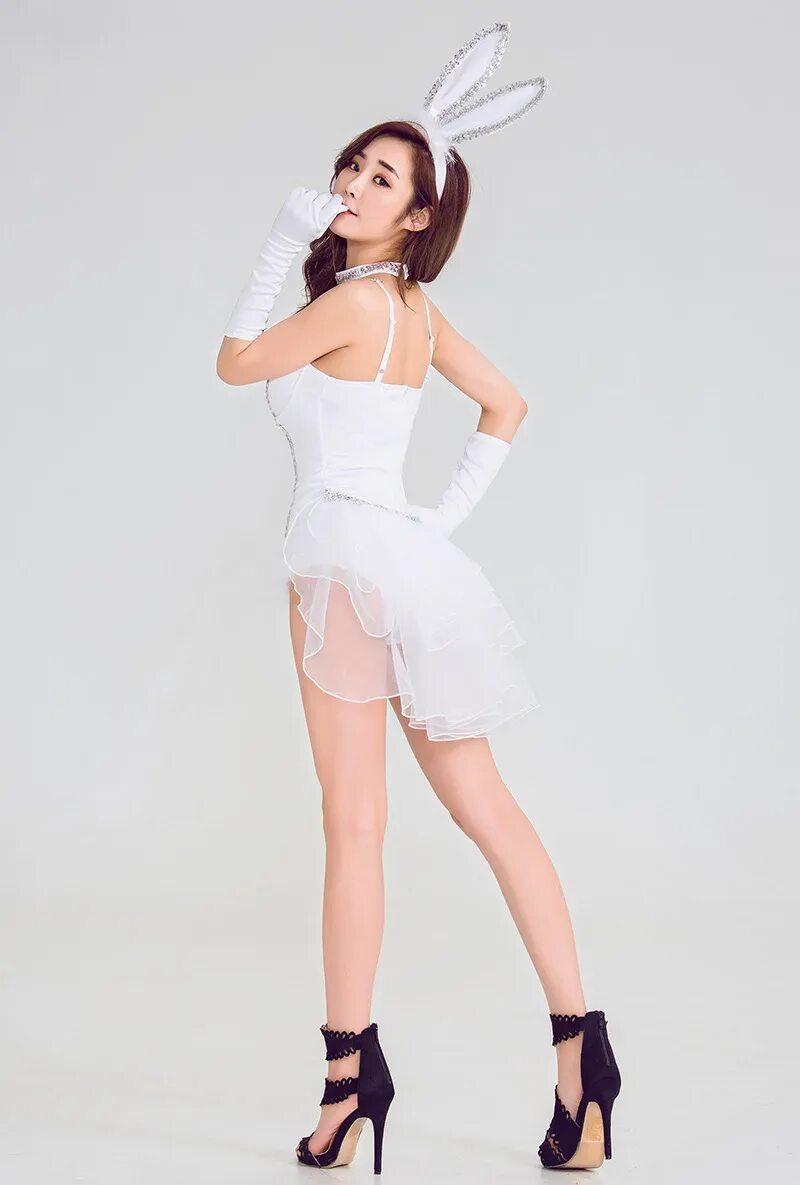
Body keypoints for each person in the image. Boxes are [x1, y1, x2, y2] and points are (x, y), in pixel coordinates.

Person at [216, 22, 621, 1175]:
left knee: (355, 826)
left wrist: (277, 240)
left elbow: (235, 362)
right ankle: (581, 1060)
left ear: (419, 214)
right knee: (487, 809)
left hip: (341, 571)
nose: (350, 185)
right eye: (350, 165)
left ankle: (349, 1084)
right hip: (402, 565)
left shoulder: (354, 305)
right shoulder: (417, 316)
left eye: (380, 178)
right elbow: (507, 406)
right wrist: (431, 526)